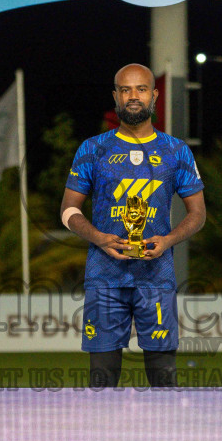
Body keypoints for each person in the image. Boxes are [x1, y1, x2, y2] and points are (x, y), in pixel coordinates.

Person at [60, 63, 206, 388]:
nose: (133, 96)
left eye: (141, 89)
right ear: (115, 96)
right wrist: (98, 237)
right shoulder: (92, 149)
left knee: (164, 380)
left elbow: (198, 214)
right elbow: (68, 211)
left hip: (157, 278)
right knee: (102, 380)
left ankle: (165, 425)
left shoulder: (176, 151)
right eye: (125, 90)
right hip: (104, 278)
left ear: (154, 95)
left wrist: (168, 240)